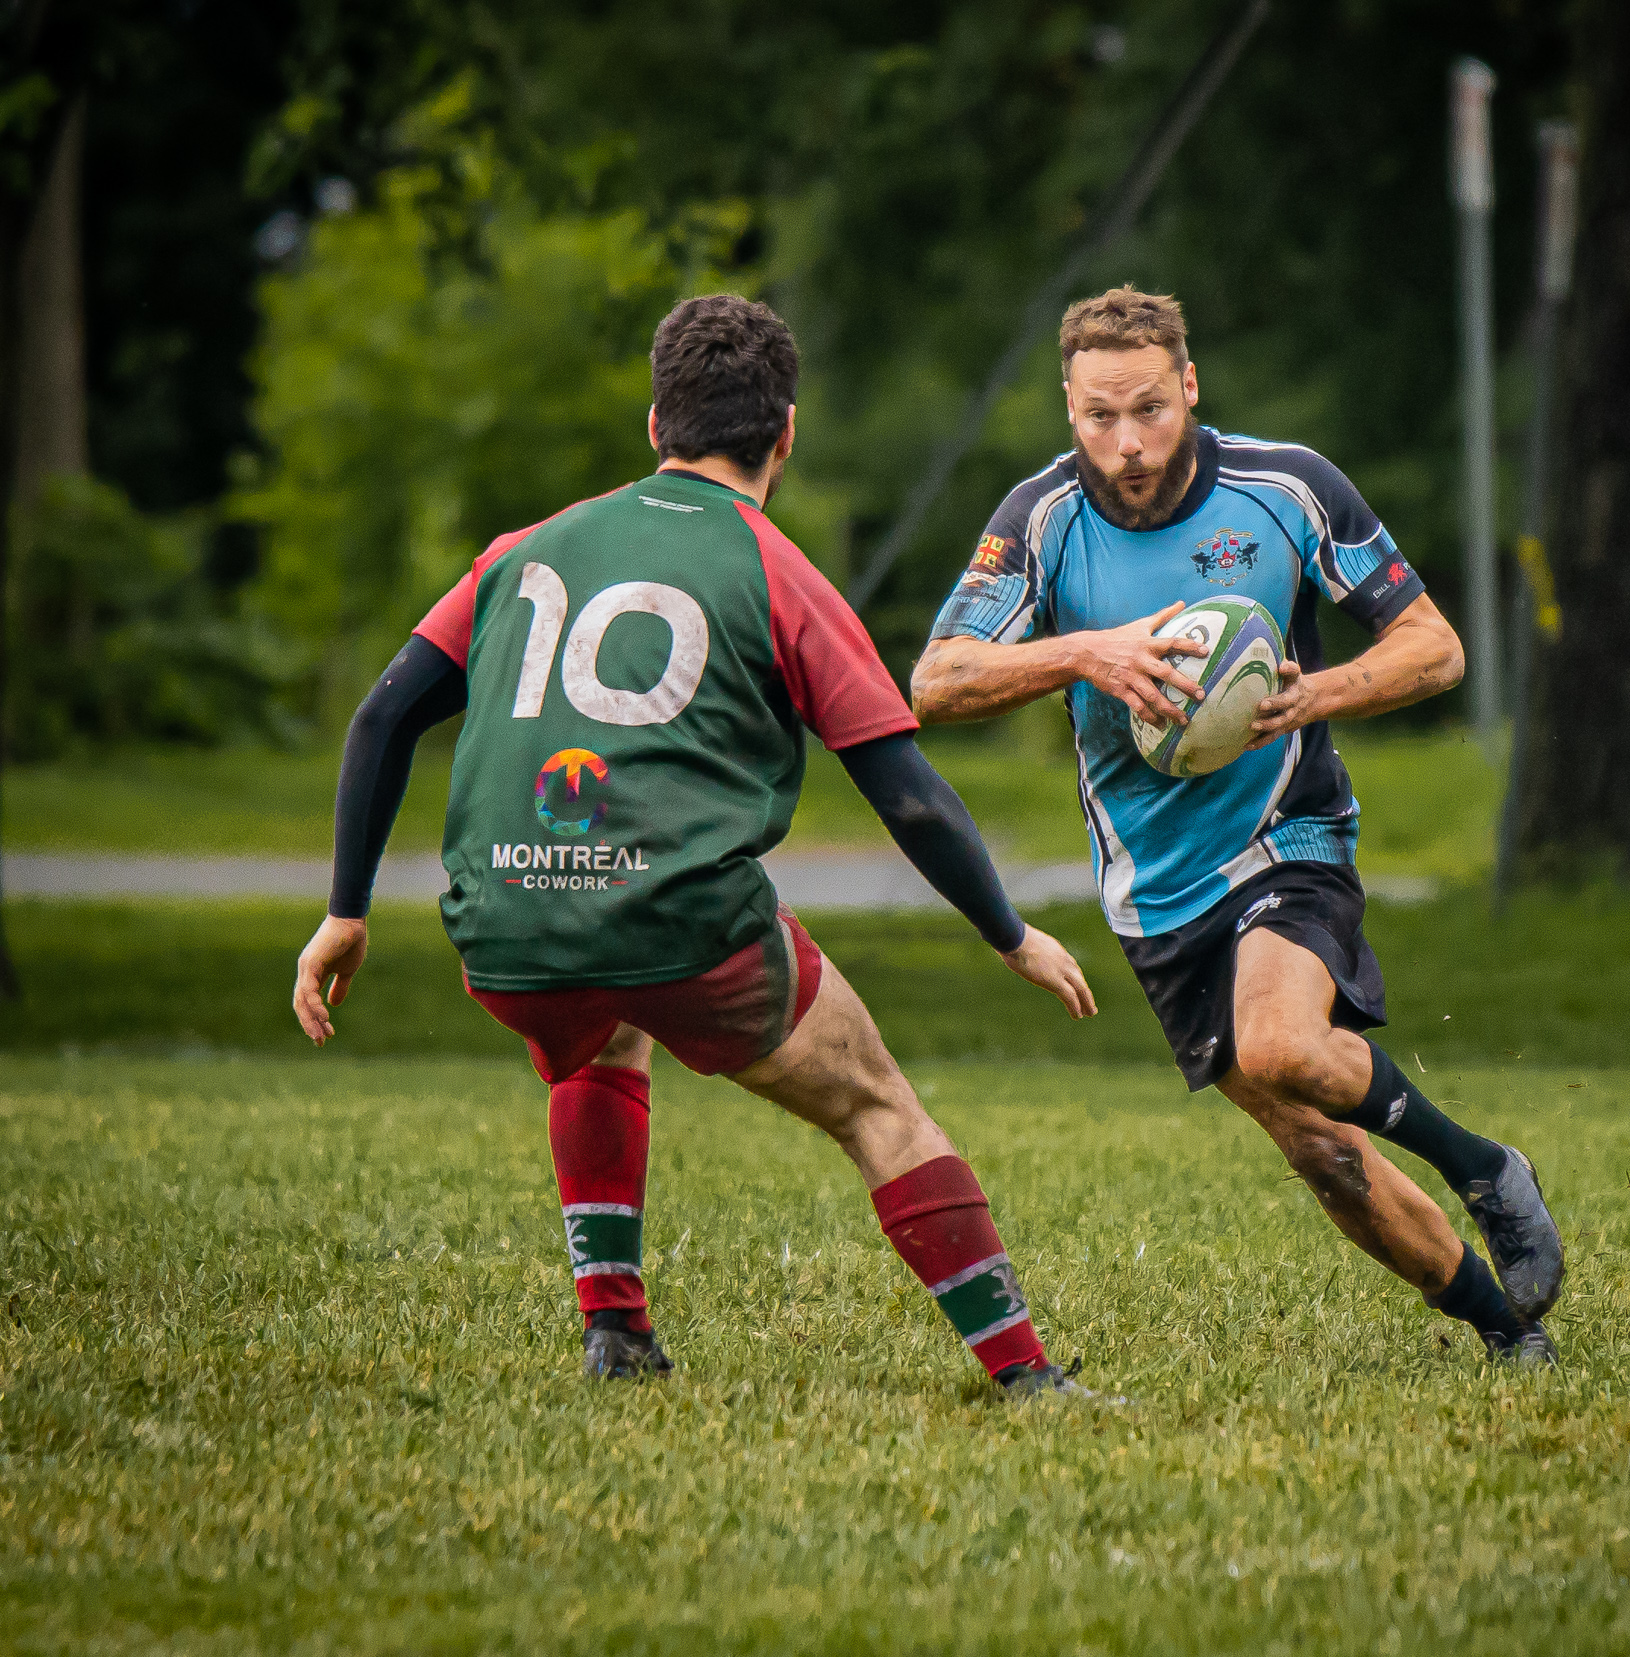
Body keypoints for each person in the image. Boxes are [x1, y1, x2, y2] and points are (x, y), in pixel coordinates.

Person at [292, 294, 1100, 1396]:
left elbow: (383, 717)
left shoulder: (520, 551)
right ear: (786, 434)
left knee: (603, 1030)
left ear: (655, 423)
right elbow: (908, 796)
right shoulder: (775, 568)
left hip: (504, 920)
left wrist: (345, 912)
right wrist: (1008, 933)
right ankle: (1025, 1373)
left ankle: (615, 1333)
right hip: (680, 922)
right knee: (876, 1104)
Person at [912, 286, 1565, 1365]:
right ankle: (1505, 1332)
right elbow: (935, 680)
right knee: (1321, 1151)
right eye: (1098, 417)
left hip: (1286, 836)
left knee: (1280, 1043)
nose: (1126, 443)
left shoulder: (1286, 488)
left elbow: (1435, 648)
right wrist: (1086, 653)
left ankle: (1483, 1168)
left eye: (1149, 409)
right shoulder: (1039, 521)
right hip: (1155, 895)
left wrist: (1318, 694)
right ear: (1068, 408)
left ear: (1189, 387)